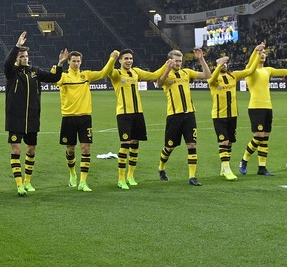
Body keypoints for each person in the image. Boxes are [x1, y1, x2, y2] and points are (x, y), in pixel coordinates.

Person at [3, 32, 65, 195]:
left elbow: (54, 78)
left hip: (32, 119)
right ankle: (19, 184)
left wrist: (59, 63)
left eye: (25, 55)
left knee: (31, 150)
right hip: (15, 119)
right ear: (17, 58)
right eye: (21, 56)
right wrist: (16, 46)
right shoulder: (12, 72)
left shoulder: (35, 71)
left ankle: (27, 182)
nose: (24, 58)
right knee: (16, 151)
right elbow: (7, 63)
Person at [238, 42, 287, 176]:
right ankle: (244, 160)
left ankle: (262, 167)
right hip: (256, 107)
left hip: (268, 107)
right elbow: (251, 63)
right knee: (258, 137)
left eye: (264, 53)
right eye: (260, 54)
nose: (263, 55)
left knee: (265, 138)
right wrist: (256, 50)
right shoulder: (250, 70)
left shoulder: (268, 70)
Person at [58, 49, 118, 192]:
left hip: (85, 118)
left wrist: (112, 59)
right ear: (69, 62)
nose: (76, 63)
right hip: (68, 118)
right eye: (74, 61)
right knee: (70, 150)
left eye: (78, 61)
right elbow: (53, 78)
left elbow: (103, 73)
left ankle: (83, 182)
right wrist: (59, 63)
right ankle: (73, 174)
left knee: (85, 148)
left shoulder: (86, 75)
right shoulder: (63, 77)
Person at [108, 50, 166, 190]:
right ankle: (121, 178)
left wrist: (167, 65)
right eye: (126, 58)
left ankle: (130, 175)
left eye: (131, 58)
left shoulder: (136, 72)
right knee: (125, 144)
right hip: (124, 114)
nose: (129, 60)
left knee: (135, 144)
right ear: (120, 61)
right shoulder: (116, 73)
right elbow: (107, 71)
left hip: (138, 113)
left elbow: (154, 75)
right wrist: (112, 58)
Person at [155, 48, 211, 186]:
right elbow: (159, 84)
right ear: (169, 61)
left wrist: (201, 59)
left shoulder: (187, 72)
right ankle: (161, 167)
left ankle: (192, 177)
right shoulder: (165, 74)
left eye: (180, 61)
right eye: (176, 61)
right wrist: (167, 69)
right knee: (169, 147)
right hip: (174, 116)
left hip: (189, 115)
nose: (179, 63)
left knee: (192, 144)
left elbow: (207, 75)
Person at [207, 54, 256, 181]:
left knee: (229, 142)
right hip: (219, 116)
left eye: (225, 63)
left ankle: (223, 168)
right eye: (222, 64)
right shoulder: (214, 78)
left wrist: (257, 52)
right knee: (223, 141)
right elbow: (211, 79)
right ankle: (227, 169)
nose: (225, 65)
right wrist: (219, 65)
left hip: (233, 115)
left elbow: (250, 70)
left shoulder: (233, 75)